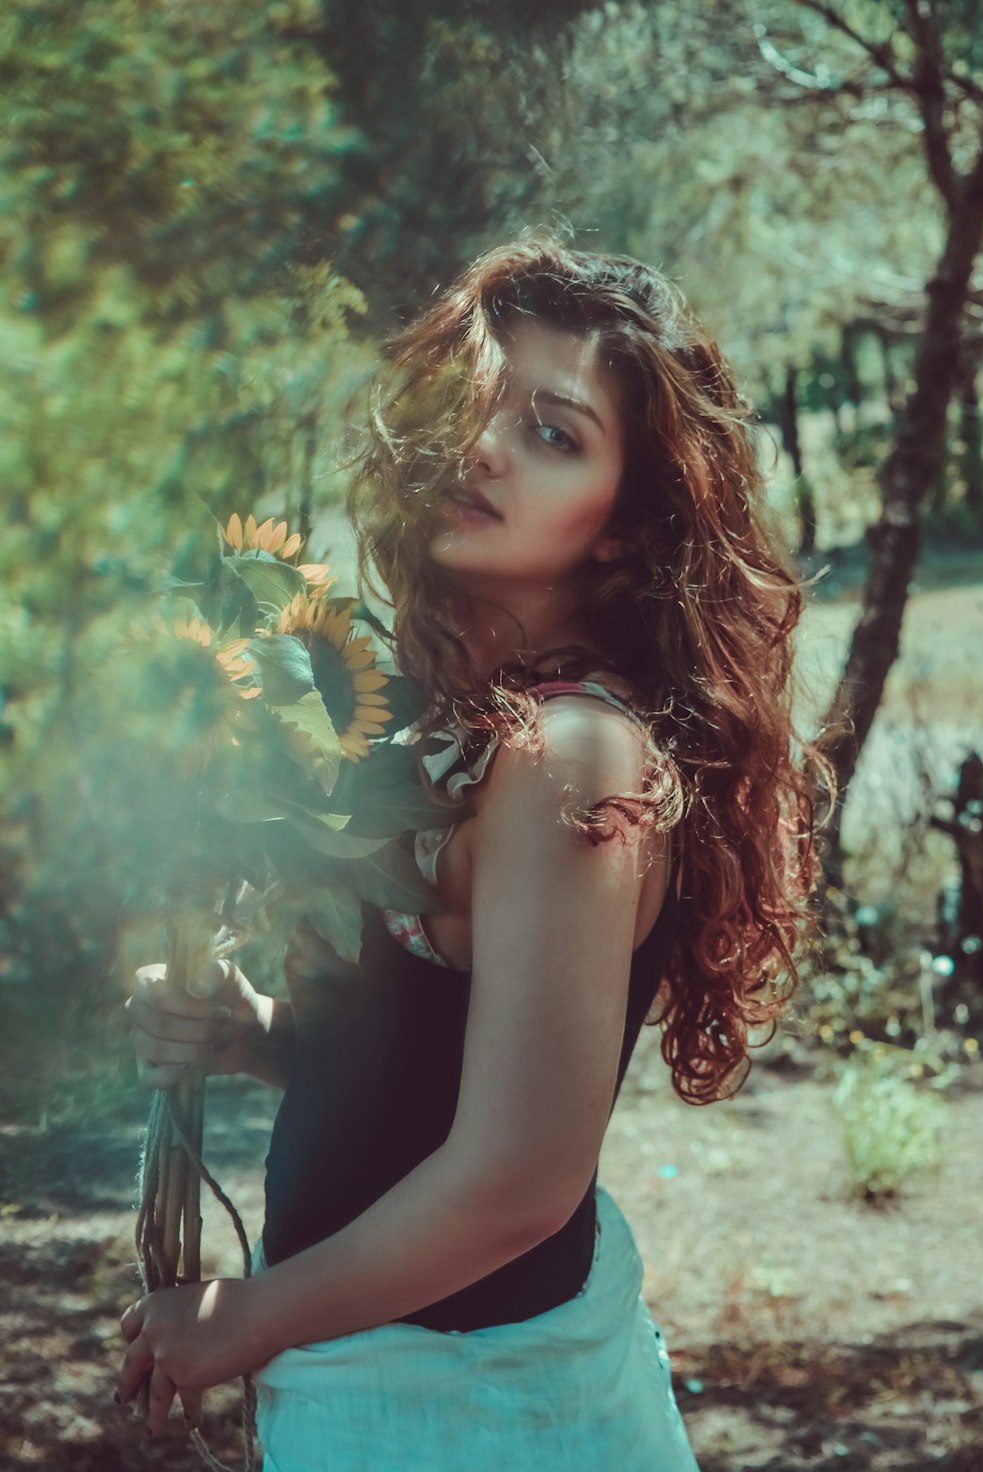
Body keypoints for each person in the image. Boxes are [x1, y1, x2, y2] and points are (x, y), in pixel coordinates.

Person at [118, 237, 819, 1469]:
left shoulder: (576, 754)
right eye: (475, 408)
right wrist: (261, 1033)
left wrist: (248, 1317)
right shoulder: (461, 725)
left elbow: (518, 1177)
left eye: (553, 433)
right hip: (399, 1379)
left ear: (621, 528)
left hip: (471, 1406)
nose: (486, 446)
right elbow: (444, 1081)